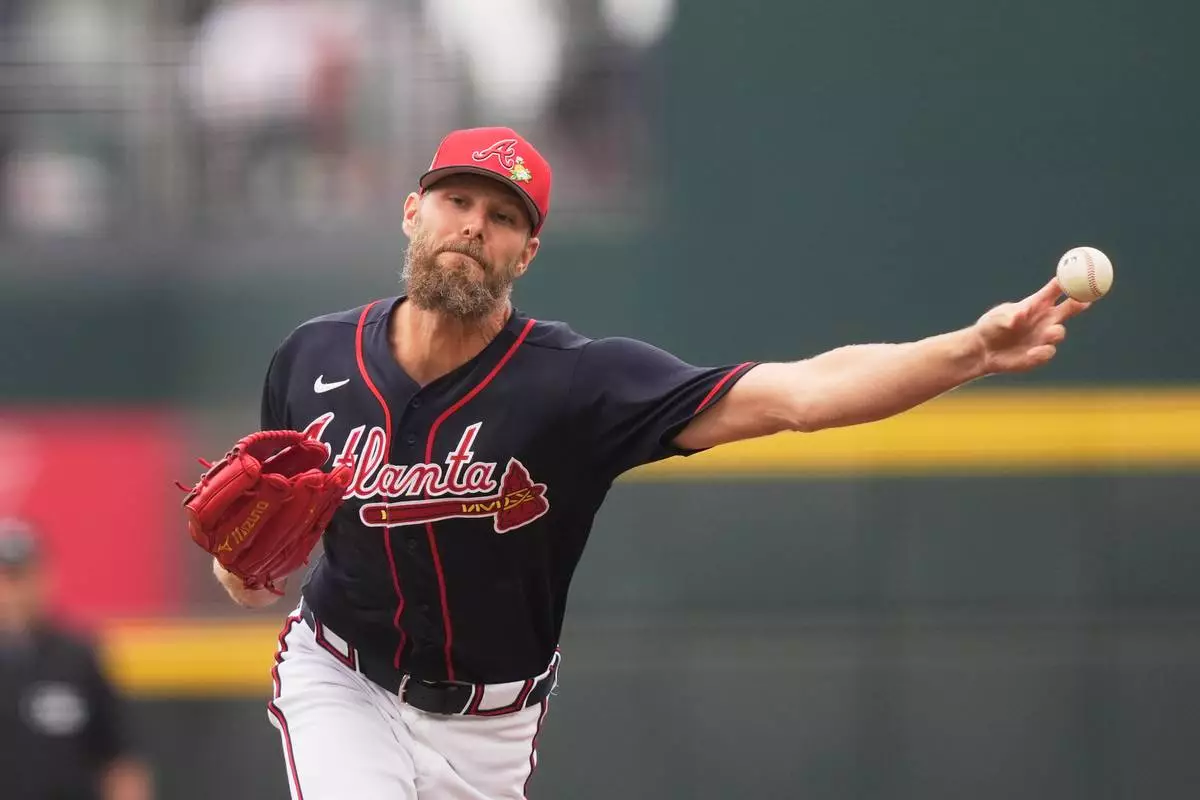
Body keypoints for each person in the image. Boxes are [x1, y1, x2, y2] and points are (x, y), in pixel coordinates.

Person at [209, 126, 1091, 799]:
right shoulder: (311, 358)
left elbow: (803, 394)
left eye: (503, 216)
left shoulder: (576, 383)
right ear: (413, 210)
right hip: (341, 678)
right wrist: (240, 573)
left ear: (528, 251)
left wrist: (971, 350)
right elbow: (255, 549)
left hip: (493, 724)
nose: (474, 227)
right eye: (457, 201)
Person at [0, 518, 153, 800]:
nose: (10, 591)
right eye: (4, 578)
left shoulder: (77, 658)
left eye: (18, 576)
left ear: (43, 577)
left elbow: (119, 759)